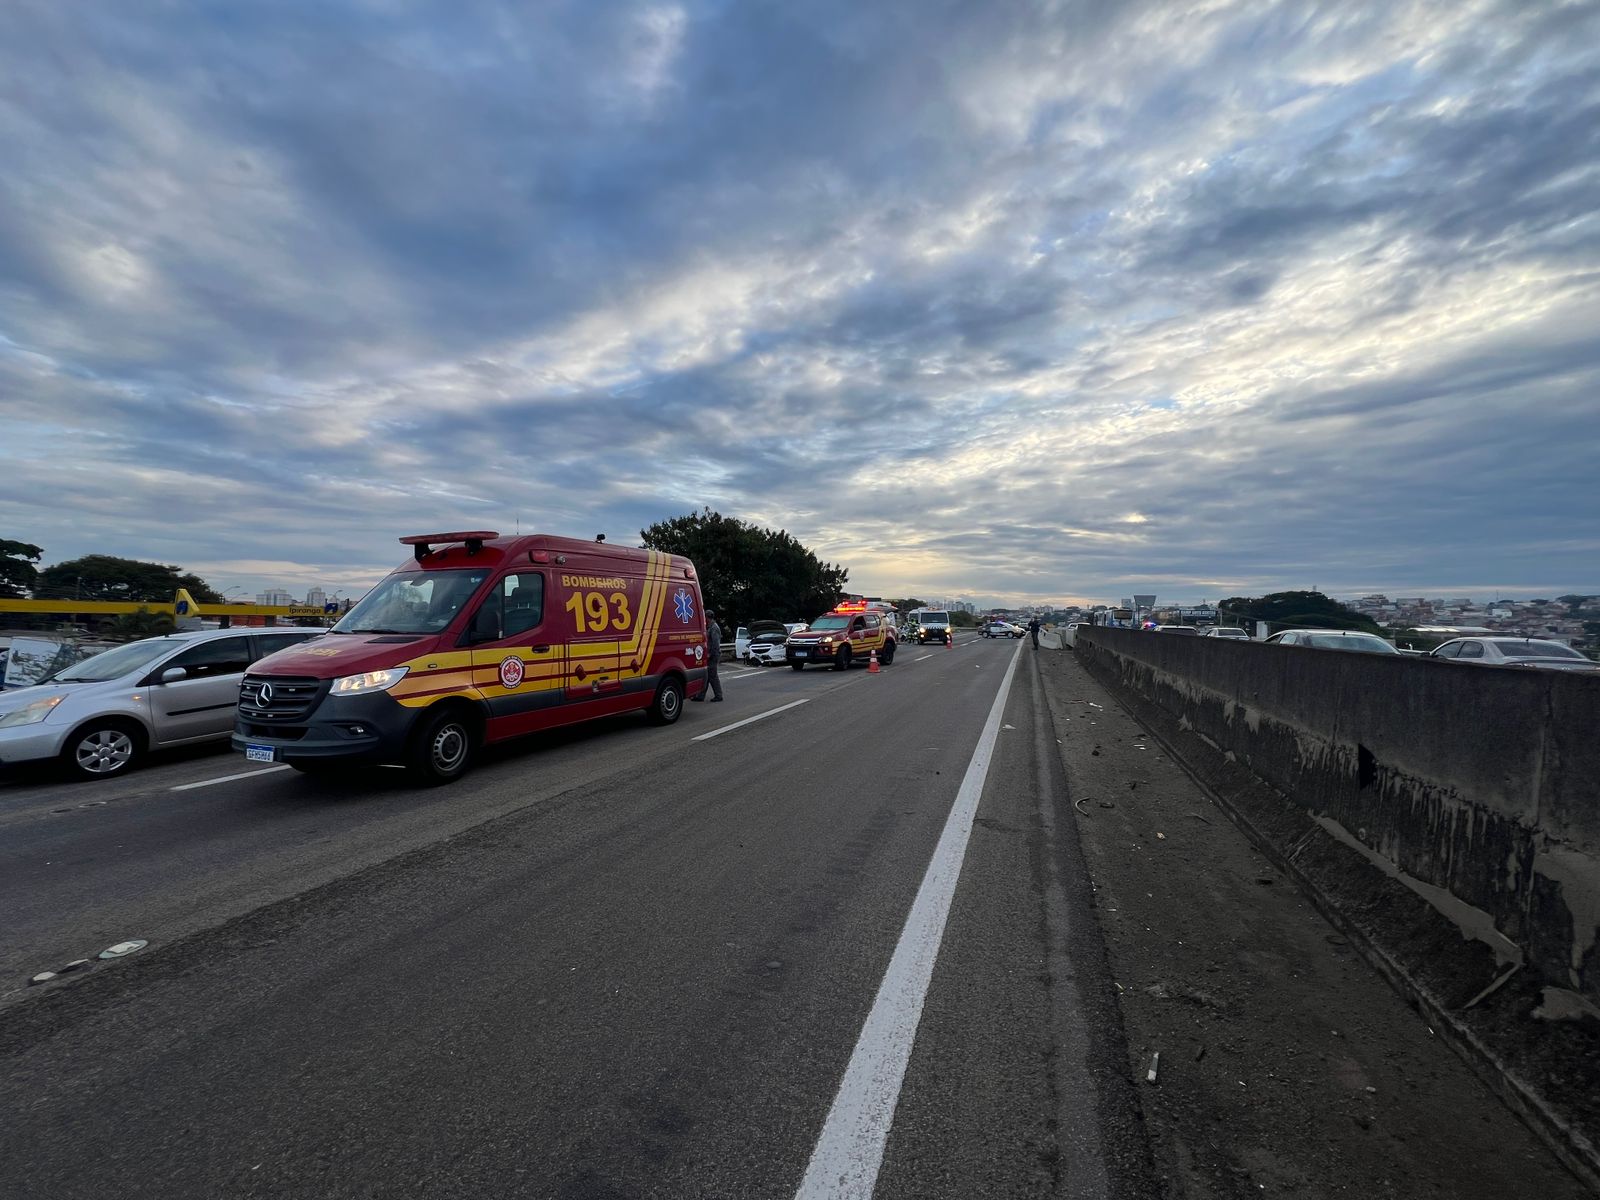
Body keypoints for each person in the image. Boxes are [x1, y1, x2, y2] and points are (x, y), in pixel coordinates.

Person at [693, 608, 724, 702]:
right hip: (710, 654)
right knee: (706, 675)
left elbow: (715, 644)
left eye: (704, 617)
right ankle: (701, 696)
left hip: (713, 655)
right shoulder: (710, 627)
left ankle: (718, 695)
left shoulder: (714, 628)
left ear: (707, 617)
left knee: (713, 676)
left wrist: (710, 654)